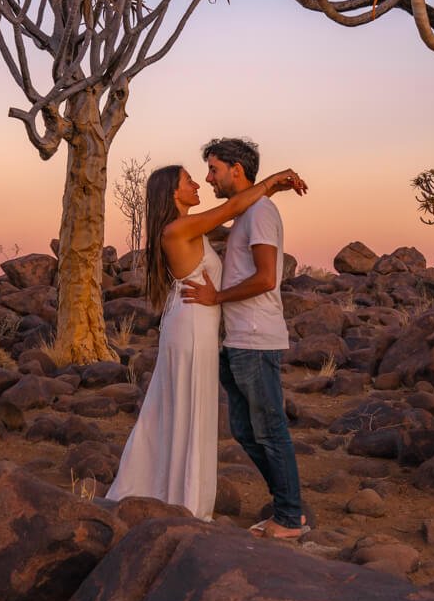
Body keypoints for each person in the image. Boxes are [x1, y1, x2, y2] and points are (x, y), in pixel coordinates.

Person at [106, 158, 307, 521]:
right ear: (173, 192)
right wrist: (273, 181)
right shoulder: (178, 229)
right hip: (192, 328)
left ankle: (172, 490)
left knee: (184, 408)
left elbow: (237, 217)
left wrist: (263, 196)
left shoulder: (188, 229)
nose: (198, 184)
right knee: (189, 408)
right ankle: (182, 499)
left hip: (196, 325)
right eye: (189, 181)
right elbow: (231, 208)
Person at [179, 136, 310, 542]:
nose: (208, 177)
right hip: (238, 339)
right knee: (243, 428)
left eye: (214, 169)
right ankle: (287, 506)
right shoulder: (247, 214)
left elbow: (266, 278)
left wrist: (216, 297)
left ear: (237, 169)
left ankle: (289, 517)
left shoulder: (260, 214)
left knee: (269, 429)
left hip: (256, 338)